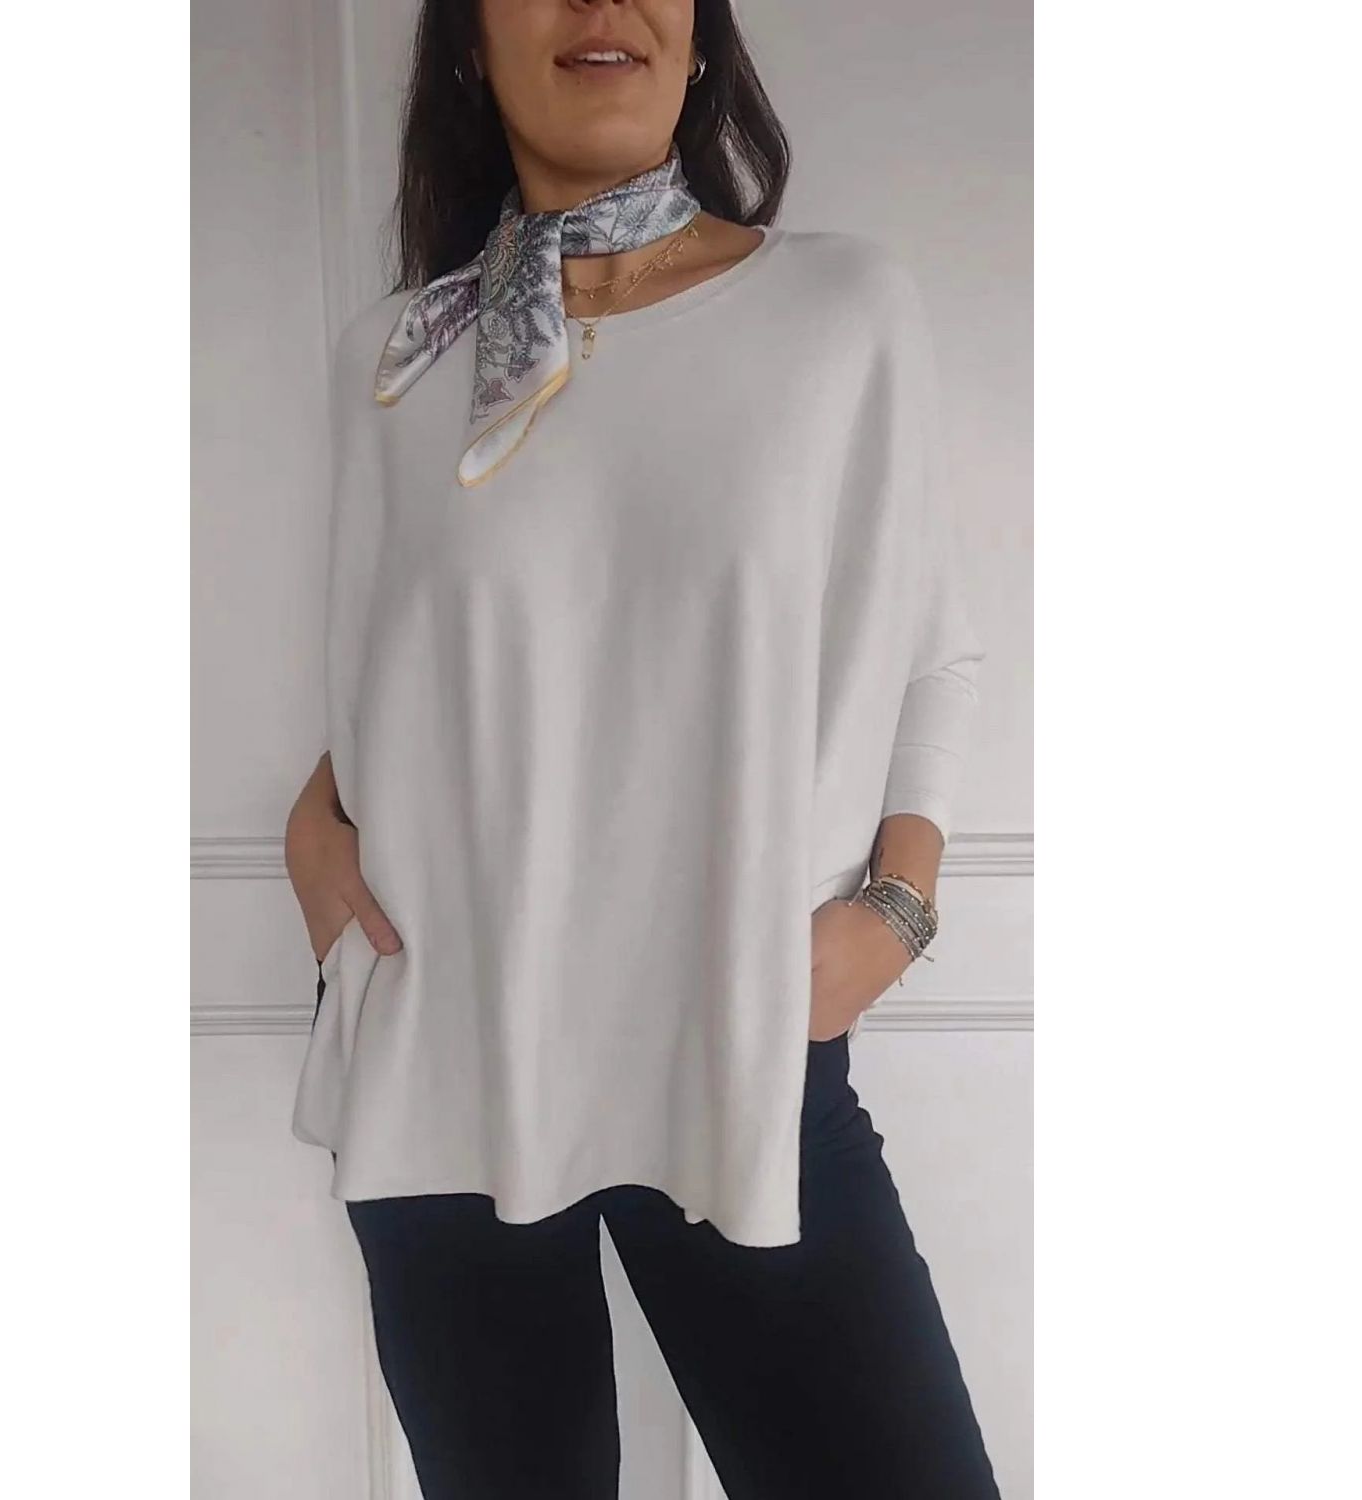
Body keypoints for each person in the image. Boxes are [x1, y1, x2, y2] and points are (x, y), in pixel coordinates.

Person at [284, 2, 1000, 1496]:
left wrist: (898, 911)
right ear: (471, 40)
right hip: (447, 1067)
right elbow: (397, 669)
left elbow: (927, 648)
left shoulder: (837, 311)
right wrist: (316, 819)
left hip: (737, 1047)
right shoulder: (396, 362)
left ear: (696, 31)